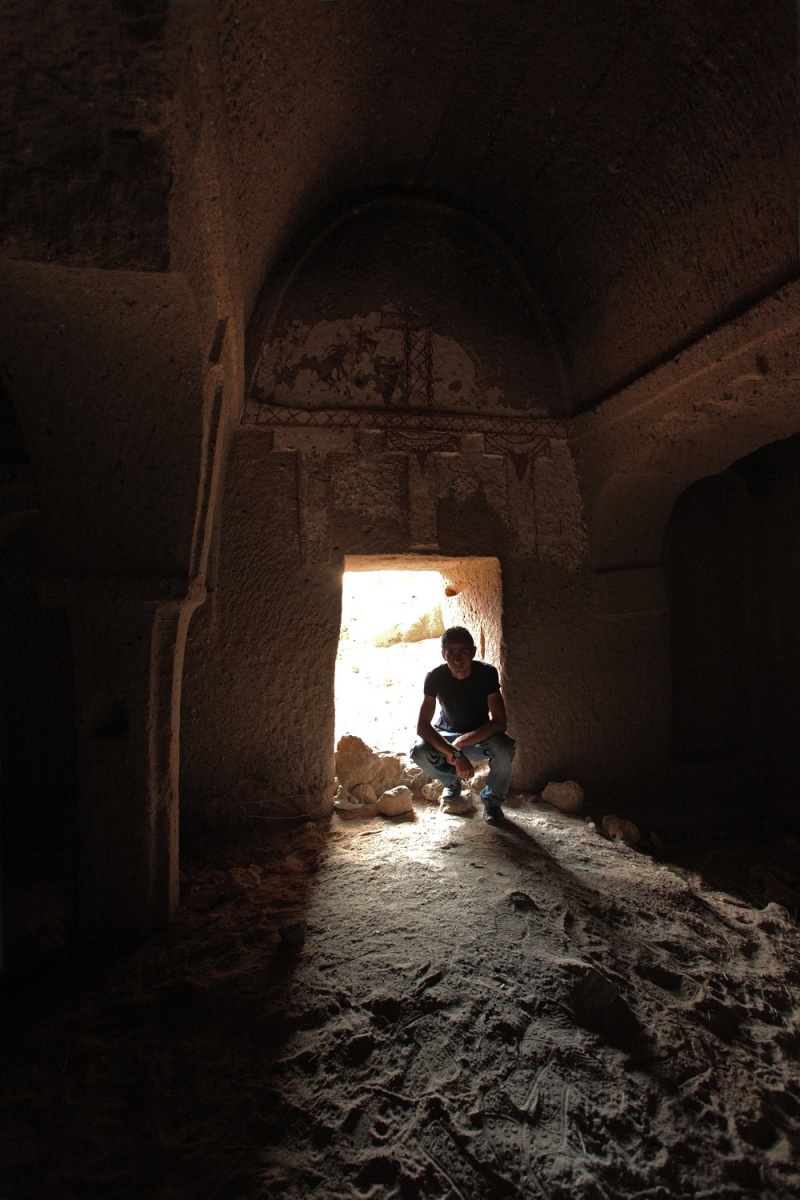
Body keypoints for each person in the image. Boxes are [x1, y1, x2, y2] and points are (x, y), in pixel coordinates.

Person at [410, 626, 516, 824]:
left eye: (463, 652)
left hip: (480, 736)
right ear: (443, 655)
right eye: (451, 654)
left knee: (504, 748)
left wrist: (461, 743)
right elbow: (422, 727)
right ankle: (452, 781)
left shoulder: (487, 674)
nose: (457, 660)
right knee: (419, 752)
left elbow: (500, 722)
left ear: (473, 652)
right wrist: (455, 753)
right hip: (447, 736)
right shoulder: (435, 677)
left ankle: (492, 801)